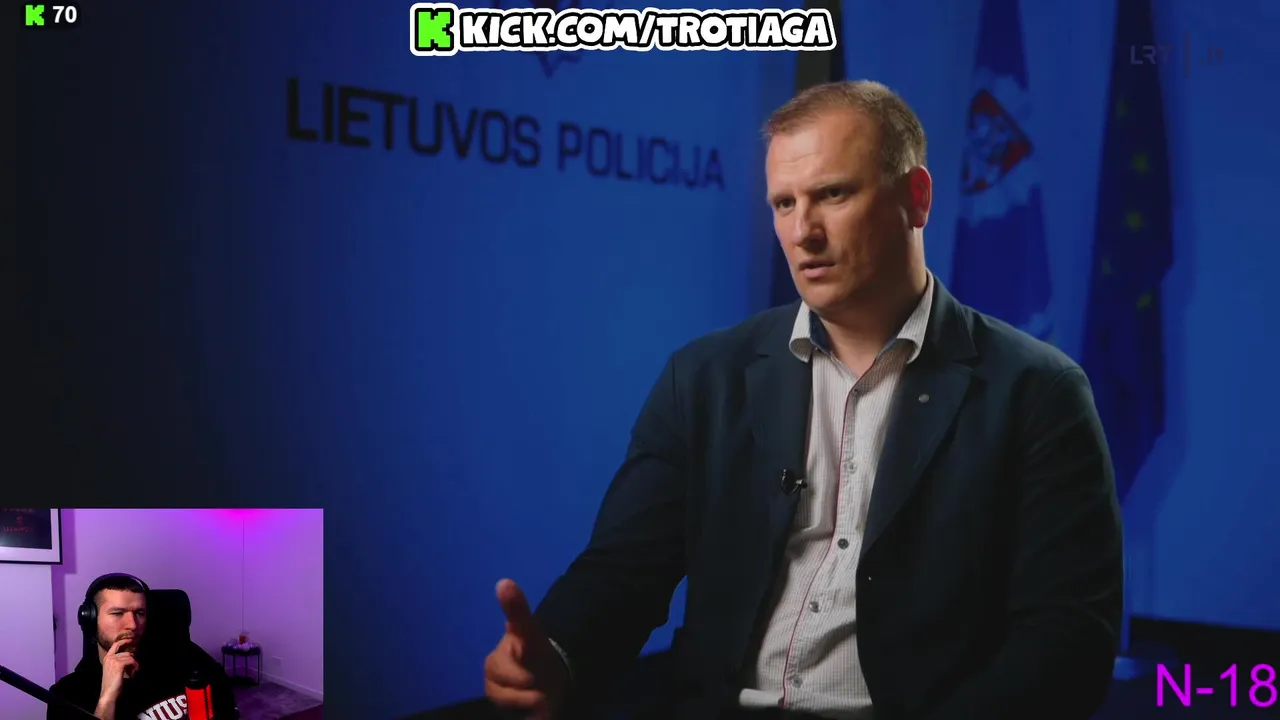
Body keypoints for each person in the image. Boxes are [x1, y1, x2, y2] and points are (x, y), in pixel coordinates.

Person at [483, 80, 1124, 720]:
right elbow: (623, 571)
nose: (802, 232)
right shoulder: (704, 378)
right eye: (784, 203)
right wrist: (556, 656)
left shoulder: (1037, 392)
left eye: (833, 194)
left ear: (916, 198)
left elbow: (1067, 640)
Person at [48, 573, 238, 720]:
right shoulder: (68, 694)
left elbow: (227, 708)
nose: (132, 624)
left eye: (140, 613)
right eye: (117, 613)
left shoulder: (185, 656)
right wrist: (107, 697)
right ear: (90, 620)